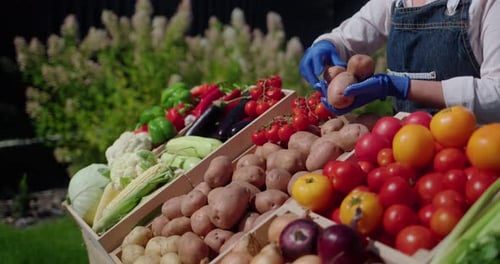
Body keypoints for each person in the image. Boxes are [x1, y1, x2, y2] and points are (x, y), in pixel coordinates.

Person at [299, 0, 500, 124]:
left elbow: (496, 96)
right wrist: (329, 44)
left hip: (474, 145)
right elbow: (351, 36)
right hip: (405, 144)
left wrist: (400, 86)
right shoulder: (395, 2)